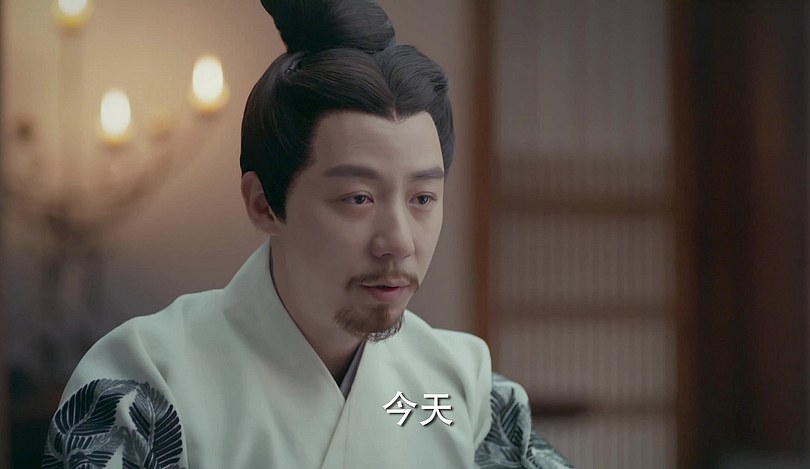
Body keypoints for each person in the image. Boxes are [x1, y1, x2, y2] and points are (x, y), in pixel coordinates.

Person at [42, 1, 573, 467]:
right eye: (358, 198)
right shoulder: (145, 380)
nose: (399, 242)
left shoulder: (465, 385)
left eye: (422, 199)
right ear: (264, 203)